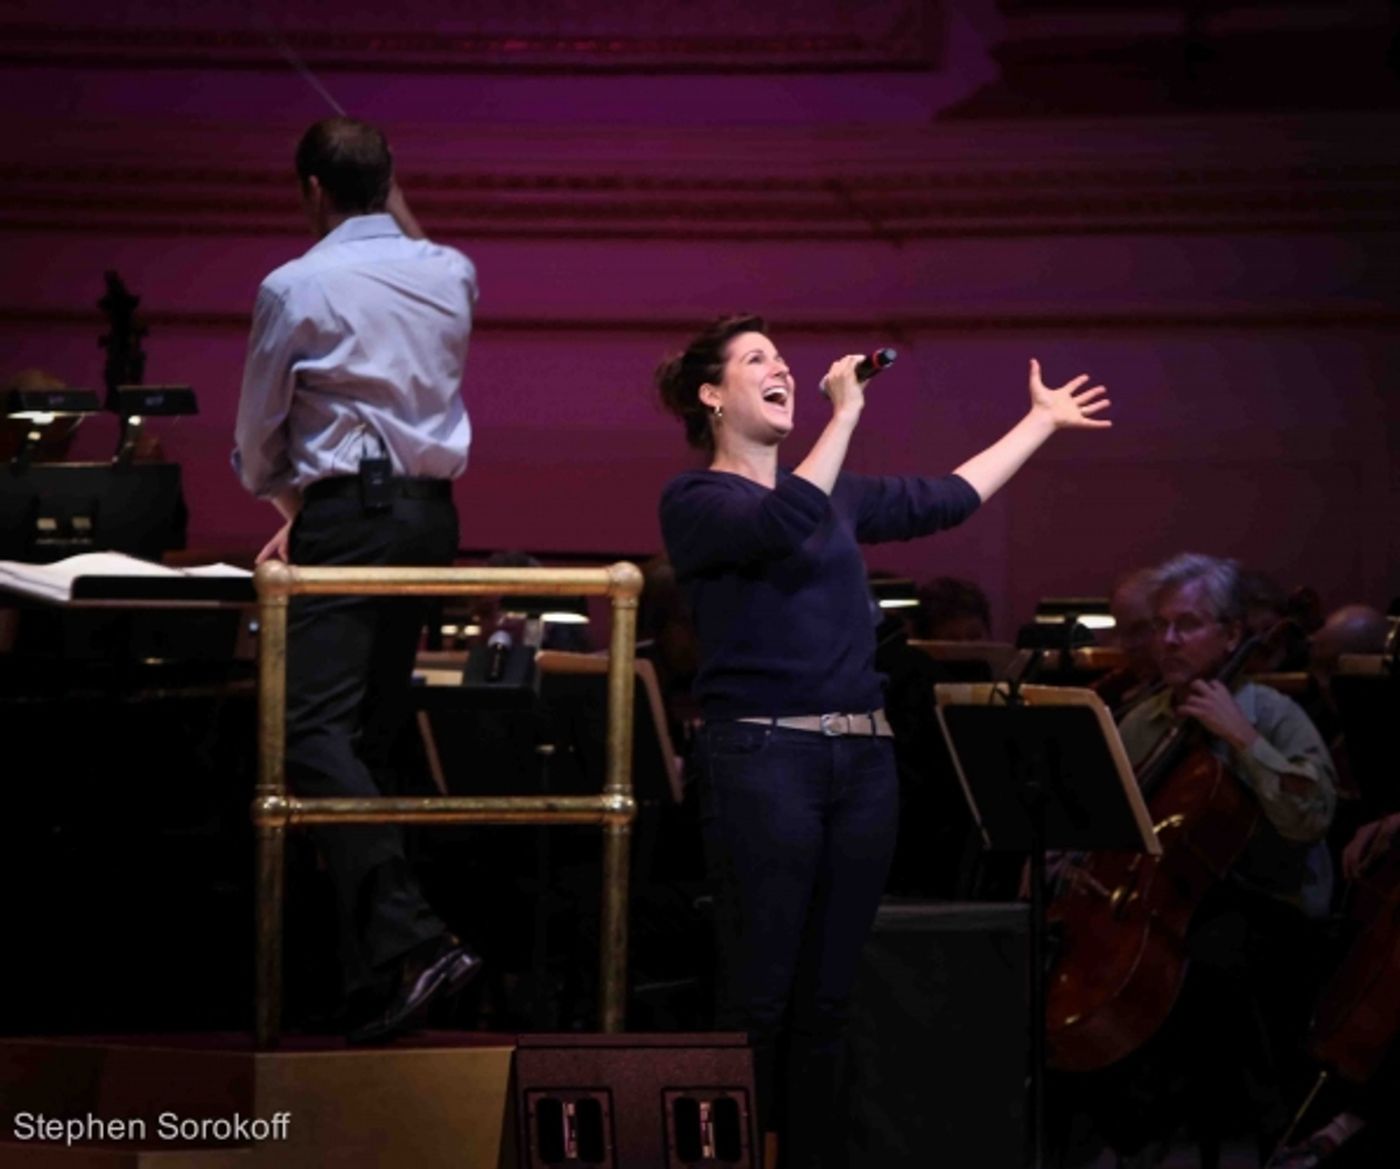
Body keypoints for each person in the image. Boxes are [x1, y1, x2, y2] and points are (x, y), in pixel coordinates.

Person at [655, 313, 1111, 1168]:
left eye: (782, 356)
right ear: (712, 395)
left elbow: (952, 495)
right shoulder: (698, 501)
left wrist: (1040, 423)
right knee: (759, 996)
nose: (782, 367)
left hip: (861, 760)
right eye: (758, 359)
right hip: (765, 758)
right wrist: (845, 418)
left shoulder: (841, 495)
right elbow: (783, 522)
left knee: (830, 1001)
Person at [232, 116, 481, 1044]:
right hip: (432, 517)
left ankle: (413, 943)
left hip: (348, 512)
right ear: (391, 179)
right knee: (364, 741)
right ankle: (377, 976)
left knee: (306, 729)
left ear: (308, 190)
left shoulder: (294, 284)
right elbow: (417, 253)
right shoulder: (453, 270)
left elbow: (262, 429)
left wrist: (282, 500)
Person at [1088, 553, 1337, 1169]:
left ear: (1231, 634)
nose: (1169, 640)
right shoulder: (1142, 719)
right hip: (1172, 903)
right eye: (1163, 625)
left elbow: (1311, 817)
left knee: (1202, 963)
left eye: (1189, 624)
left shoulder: (1276, 714)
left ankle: (1190, 1133)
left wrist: (1243, 741)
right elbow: (1101, 817)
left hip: (1270, 906)